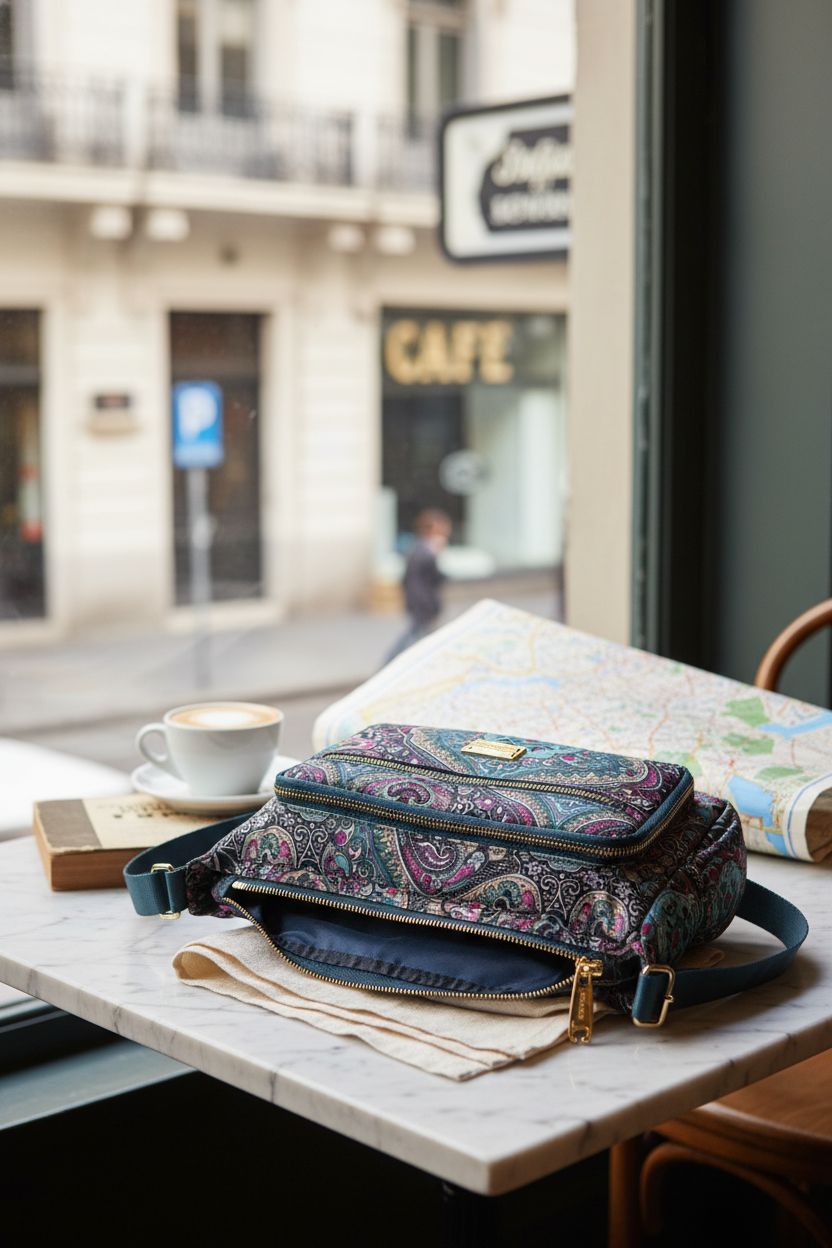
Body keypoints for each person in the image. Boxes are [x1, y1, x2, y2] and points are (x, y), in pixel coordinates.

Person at [385, 509, 451, 662]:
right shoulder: (425, 552)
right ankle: (392, 660)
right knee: (416, 635)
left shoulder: (418, 549)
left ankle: (395, 660)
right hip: (422, 602)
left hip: (419, 601)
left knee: (418, 634)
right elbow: (433, 578)